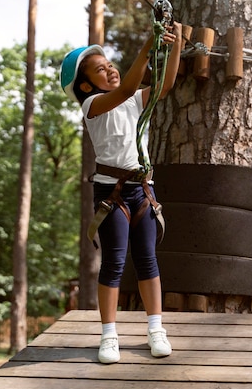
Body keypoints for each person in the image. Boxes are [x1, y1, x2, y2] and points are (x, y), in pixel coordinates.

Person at [59, 21, 183, 363]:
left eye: (110, 64)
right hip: (110, 192)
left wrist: (175, 43)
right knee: (113, 262)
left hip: (141, 190)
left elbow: (165, 84)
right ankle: (109, 335)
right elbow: (128, 88)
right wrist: (147, 47)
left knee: (147, 259)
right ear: (86, 85)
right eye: (101, 69)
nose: (110, 69)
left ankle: (156, 329)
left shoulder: (131, 101)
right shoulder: (93, 107)